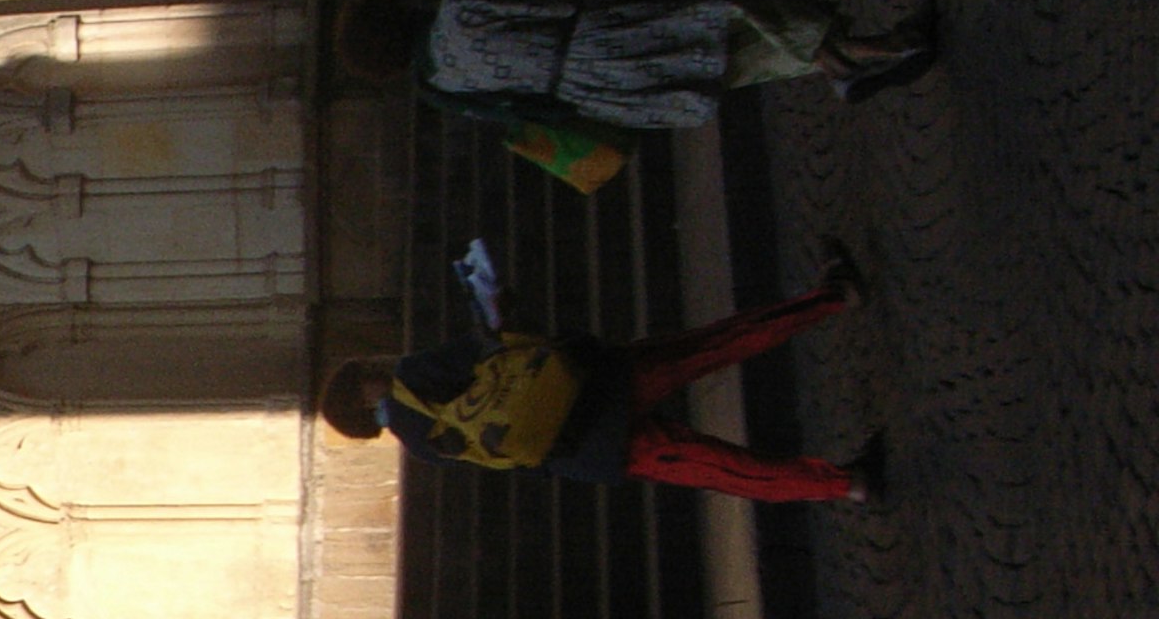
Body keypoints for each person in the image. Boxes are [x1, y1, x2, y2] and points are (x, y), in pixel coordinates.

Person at [320, 254, 884, 504]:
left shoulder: (420, 443)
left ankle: (845, 484)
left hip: (588, 446)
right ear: (365, 390)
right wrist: (494, 301)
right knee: (718, 342)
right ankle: (831, 298)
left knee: (728, 471)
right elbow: (493, 344)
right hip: (597, 383)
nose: (379, 364)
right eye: (368, 372)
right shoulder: (414, 375)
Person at [422, 0, 939, 137]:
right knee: (733, 13)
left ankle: (855, 59)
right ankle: (867, 54)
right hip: (600, 36)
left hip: (592, 91)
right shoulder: (457, 10)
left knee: (738, 62)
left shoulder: (446, 82)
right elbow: (554, 3)